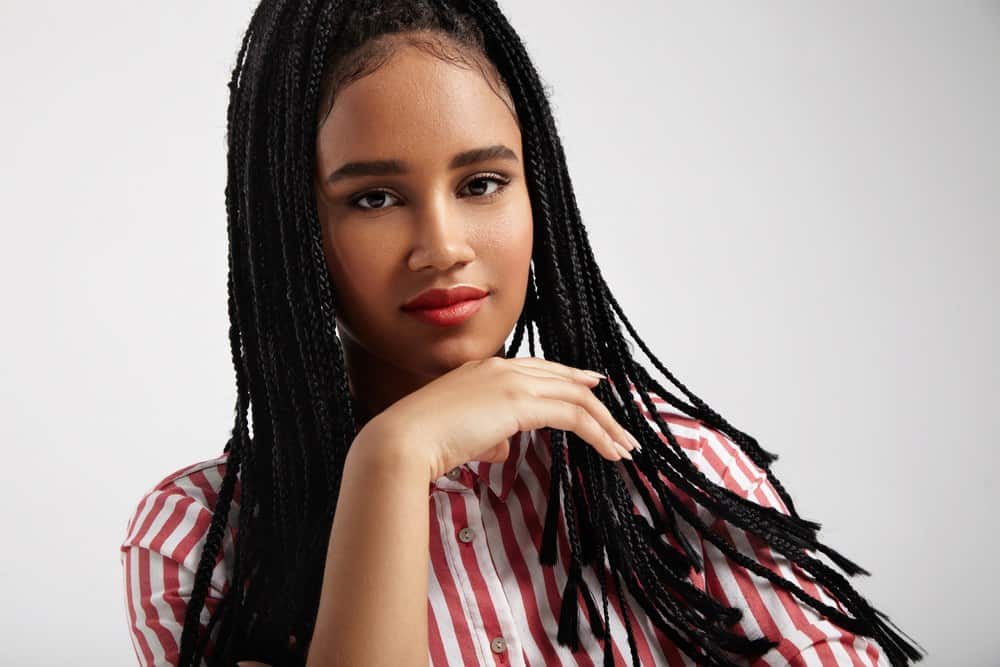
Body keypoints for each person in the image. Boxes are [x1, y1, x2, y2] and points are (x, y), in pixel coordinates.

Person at [120, 1, 925, 665]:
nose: (442, 247)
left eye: (481, 183)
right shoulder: (196, 540)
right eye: (373, 198)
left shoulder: (670, 473)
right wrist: (392, 462)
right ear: (290, 227)